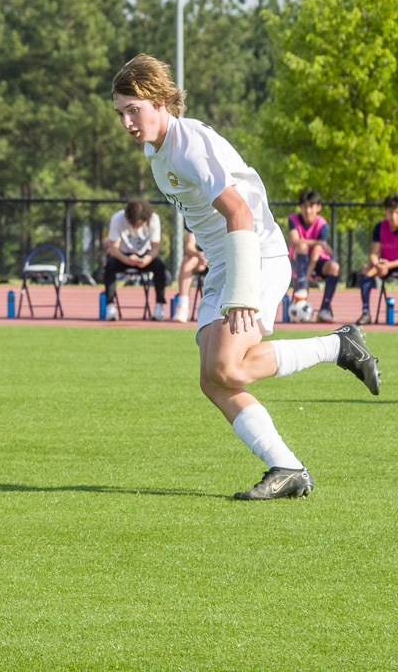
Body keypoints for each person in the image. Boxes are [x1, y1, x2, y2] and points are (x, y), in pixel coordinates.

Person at [111, 54, 381, 500]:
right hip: (224, 261)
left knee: (229, 367)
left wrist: (240, 294)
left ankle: (338, 345)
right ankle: (287, 466)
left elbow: (238, 211)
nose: (126, 122)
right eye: (120, 113)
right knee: (212, 379)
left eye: (133, 109)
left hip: (256, 255)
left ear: (160, 102)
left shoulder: (189, 145)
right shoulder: (154, 150)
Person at [102, 197, 169, 321]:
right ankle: (110, 306)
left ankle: (159, 306)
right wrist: (126, 259)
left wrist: (147, 259)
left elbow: (155, 249)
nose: (138, 225)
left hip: (144, 256)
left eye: (141, 222)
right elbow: (113, 249)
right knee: (109, 264)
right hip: (122, 256)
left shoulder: (153, 219)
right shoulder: (118, 219)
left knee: (159, 265)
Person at [286, 189, 340, 323]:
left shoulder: (323, 225)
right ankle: (302, 288)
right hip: (297, 260)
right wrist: (319, 242)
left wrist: (308, 276)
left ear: (318, 207)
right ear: (300, 207)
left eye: (311, 206)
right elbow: (295, 241)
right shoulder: (293, 219)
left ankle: (324, 310)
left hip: (316, 261)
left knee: (334, 267)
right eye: (304, 206)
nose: (307, 210)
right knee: (302, 246)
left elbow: (316, 253)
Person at [356, 193, 398, 325]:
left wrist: (388, 265)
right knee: (365, 273)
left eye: (397, 212)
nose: (393, 216)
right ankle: (366, 312)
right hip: (382, 265)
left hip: (392, 264)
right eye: (390, 212)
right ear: (386, 211)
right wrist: (378, 265)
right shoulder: (379, 227)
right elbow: (373, 253)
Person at [174, 230, 208, 322]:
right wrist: (200, 255)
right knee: (187, 261)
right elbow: (189, 247)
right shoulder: (196, 216)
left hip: (221, 258)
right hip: (202, 260)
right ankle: (183, 306)